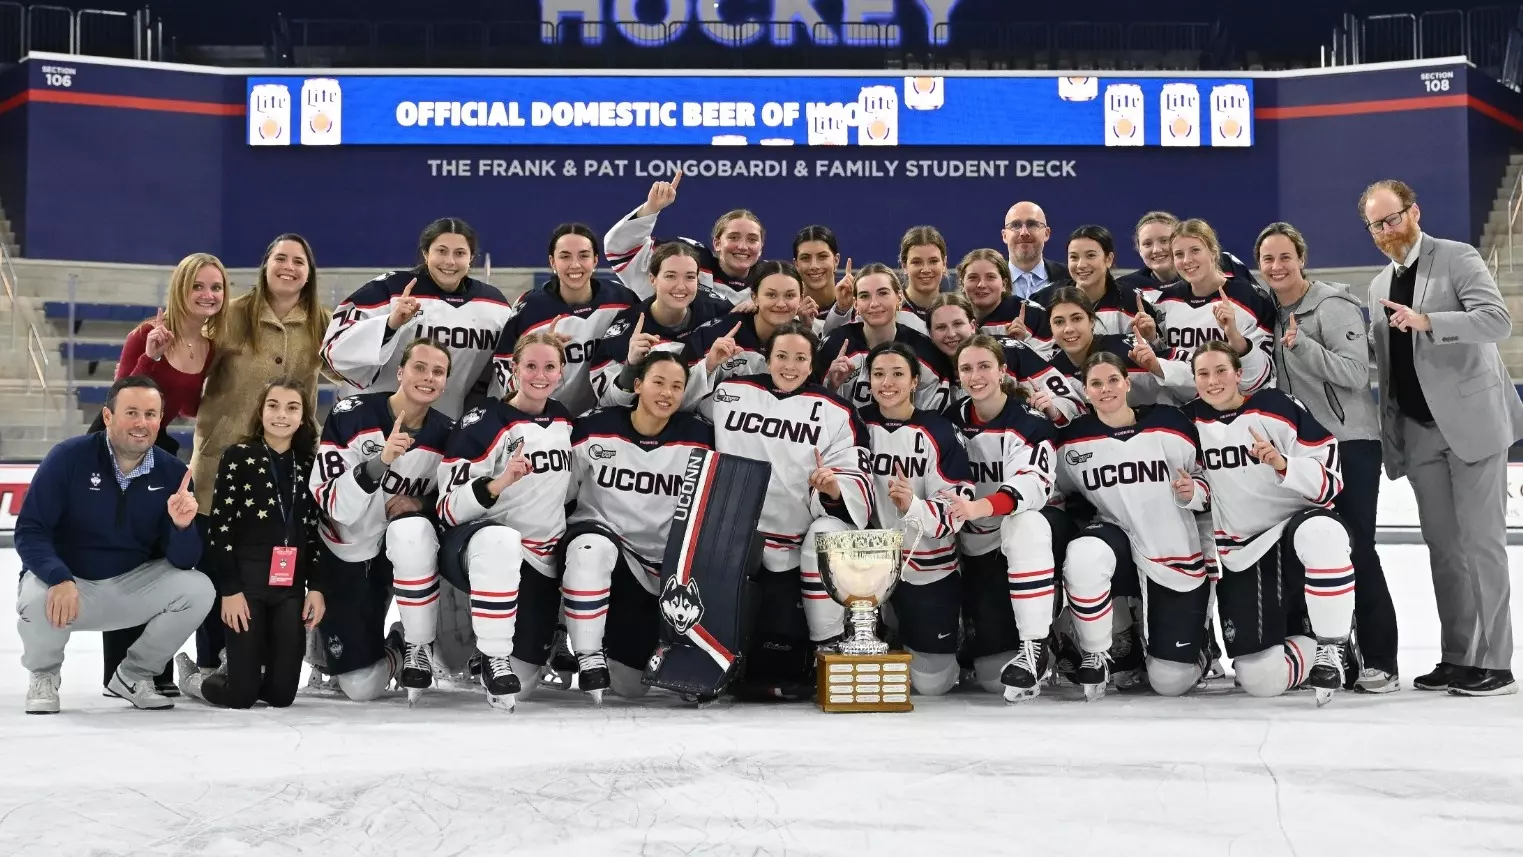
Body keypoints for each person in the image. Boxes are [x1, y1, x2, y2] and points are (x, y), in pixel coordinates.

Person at [1362, 178, 1523, 696]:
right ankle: (1458, 656)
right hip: (1419, 429)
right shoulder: (1377, 285)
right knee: (1443, 550)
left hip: (1473, 425)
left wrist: (1429, 320)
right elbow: (1388, 364)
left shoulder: (1457, 257)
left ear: (1414, 211)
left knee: (1482, 545)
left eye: (1393, 218)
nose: (1387, 230)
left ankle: (1497, 662)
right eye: (1376, 224)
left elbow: (1496, 321)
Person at [697, 321, 875, 698]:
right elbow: (674, 401)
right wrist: (708, 365)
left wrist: (833, 488)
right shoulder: (731, 392)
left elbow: (855, 472)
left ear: (813, 365)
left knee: (826, 536)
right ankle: (701, 658)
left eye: (800, 358)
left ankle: (826, 646)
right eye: (781, 356)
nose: (789, 366)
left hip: (797, 543)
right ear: (766, 357)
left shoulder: (836, 411)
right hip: (737, 537)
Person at [15, 376, 214, 714]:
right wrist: (58, 577)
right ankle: (44, 675)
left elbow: (184, 561)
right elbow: (30, 530)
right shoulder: (68, 457)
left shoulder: (172, 473)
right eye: (132, 412)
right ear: (108, 417)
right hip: (71, 584)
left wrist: (182, 527)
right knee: (35, 596)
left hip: (129, 586)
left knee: (198, 589)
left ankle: (134, 675)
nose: (142, 423)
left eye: (151, 414)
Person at [1257, 221, 1398, 693]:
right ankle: (1335, 655)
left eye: (1284, 257)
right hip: (1303, 450)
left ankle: (1382, 661)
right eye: (1268, 260)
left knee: (1358, 547)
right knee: (1314, 551)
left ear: (1302, 258)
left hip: (1349, 444)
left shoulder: (1333, 305)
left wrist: (1306, 347)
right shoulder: (1274, 314)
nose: (1276, 267)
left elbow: (1358, 375)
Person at [1185, 342, 1355, 705]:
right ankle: (1308, 643)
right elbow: (1204, 488)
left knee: (1325, 532)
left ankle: (1332, 645)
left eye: (1221, 371)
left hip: (1294, 530)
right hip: (1244, 549)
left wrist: (1283, 464)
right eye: (1203, 373)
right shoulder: (1189, 422)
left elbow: (1331, 479)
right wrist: (1190, 492)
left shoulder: (1277, 407)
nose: (1213, 381)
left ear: (1238, 373)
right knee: (1260, 680)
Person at [189, 234, 327, 674]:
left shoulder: (322, 324)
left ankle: (256, 661)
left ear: (310, 271)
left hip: (285, 469)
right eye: (280, 259)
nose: (289, 267)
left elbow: (358, 370)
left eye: (299, 261)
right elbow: (189, 371)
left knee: (273, 567)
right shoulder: (229, 317)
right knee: (218, 565)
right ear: (265, 265)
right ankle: (211, 664)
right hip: (220, 464)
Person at [97, 252, 227, 698]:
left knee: (161, 559)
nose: (208, 295)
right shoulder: (146, 335)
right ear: (180, 288)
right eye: (198, 286)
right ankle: (119, 671)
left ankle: (151, 668)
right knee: (129, 556)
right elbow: (122, 397)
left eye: (216, 287)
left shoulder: (210, 347)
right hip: (119, 447)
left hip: (162, 449)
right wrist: (150, 357)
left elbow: (188, 408)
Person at [1055, 353, 1212, 700]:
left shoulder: (1172, 423)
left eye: (1113, 380)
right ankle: (1096, 651)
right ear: (1085, 391)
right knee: (1083, 554)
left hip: (1172, 552)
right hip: (1117, 540)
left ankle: (1196, 644)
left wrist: (1195, 492)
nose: (1105, 389)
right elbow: (1056, 492)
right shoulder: (1072, 441)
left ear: (1127, 383)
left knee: (1169, 682)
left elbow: (1209, 482)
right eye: (1096, 383)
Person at [561, 352, 716, 702]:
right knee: (590, 548)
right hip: (610, 554)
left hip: (666, 566)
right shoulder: (593, 427)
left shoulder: (699, 436)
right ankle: (588, 655)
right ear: (637, 385)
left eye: (677, 386)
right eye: (658, 382)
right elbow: (561, 494)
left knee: (630, 687)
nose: (667, 393)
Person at [308, 338, 455, 703]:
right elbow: (334, 504)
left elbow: (454, 500)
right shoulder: (351, 414)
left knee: (414, 535)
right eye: (419, 367)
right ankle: (392, 648)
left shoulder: (450, 434)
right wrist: (379, 463)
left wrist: (421, 501)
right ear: (400, 371)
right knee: (360, 687)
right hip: (344, 553)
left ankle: (415, 640)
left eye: (438, 372)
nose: (428, 377)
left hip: (397, 558)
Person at [435, 332, 576, 710]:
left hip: (540, 560)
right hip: (483, 550)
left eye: (549, 367)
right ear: (513, 369)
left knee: (523, 685)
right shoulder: (483, 420)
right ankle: (478, 650)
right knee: (501, 542)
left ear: (561, 373)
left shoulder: (563, 420)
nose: (539, 375)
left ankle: (516, 645)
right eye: (530, 366)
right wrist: (498, 483)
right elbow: (448, 508)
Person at [174, 378, 326, 709]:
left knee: (282, 695)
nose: (281, 415)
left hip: (288, 589)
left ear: (303, 417)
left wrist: (315, 587)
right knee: (241, 695)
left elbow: (313, 532)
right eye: (273, 406)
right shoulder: (239, 456)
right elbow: (220, 529)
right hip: (246, 587)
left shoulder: (309, 464)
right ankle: (193, 679)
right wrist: (229, 591)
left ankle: (242, 665)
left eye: (292, 408)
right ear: (260, 411)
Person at [945, 335, 1070, 701]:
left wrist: (975, 508)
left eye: (985, 366)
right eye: (966, 368)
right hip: (980, 541)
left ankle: (1037, 645)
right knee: (990, 676)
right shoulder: (949, 422)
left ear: (1002, 371)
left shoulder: (1030, 422)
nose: (975, 375)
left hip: (1037, 530)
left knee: (1024, 522)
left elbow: (1027, 489)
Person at [858, 342, 974, 695]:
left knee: (931, 685)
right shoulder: (855, 423)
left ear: (914, 381)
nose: (887, 382)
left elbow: (958, 503)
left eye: (897, 374)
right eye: (879, 374)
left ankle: (936, 634)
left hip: (928, 567)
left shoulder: (939, 431)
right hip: (866, 566)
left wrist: (913, 506)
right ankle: (887, 627)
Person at [322, 217, 513, 420]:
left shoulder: (495, 306)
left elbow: (510, 365)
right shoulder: (389, 290)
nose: (450, 261)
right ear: (425, 253)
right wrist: (389, 325)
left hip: (451, 431)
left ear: (471, 257)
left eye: (459, 253)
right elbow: (335, 349)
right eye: (441, 251)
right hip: (375, 425)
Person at [492, 223, 640, 416]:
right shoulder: (530, 308)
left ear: (595, 260)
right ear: (552, 262)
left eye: (584, 255)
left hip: (607, 419)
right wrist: (541, 355)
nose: (575, 265)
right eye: (565, 256)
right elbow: (504, 366)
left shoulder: (622, 299)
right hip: (545, 419)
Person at [589, 241, 730, 411]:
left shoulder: (719, 309)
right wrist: (631, 366)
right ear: (653, 279)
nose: (681, 286)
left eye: (690, 277)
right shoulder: (626, 329)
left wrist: (754, 313)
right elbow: (608, 403)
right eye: (670, 276)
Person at [1153, 219, 1277, 393]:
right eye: (1179, 254)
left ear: (1213, 251)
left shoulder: (1251, 299)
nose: (1187, 260)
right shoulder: (1164, 302)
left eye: (1195, 250)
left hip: (1240, 411)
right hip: (1184, 412)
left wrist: (1233, 336)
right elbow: (1165, 364)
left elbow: (1257, 378)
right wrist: (1152, 339)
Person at [605, 171, 762, 304]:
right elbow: (620, 249)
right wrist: (651, 208)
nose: (742, 246)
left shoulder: (770, 278)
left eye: (752, 239)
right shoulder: (688, 260)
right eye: (733, 237)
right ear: (717, 243)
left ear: (761, 246)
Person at [816, 262, 953, 411]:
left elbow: (933, 420)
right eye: (864, 296)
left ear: (899, 297)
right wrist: (831, 387)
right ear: (855, 304)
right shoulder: (835, 345)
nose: (874, 303)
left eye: (883, 293)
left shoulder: (925, 352)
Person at [925, 293, 1083, 421]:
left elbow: (1072, 403)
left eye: (958, 324)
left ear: (973, 326)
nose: (951, 334)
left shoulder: (1010, 350)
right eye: (941, 327)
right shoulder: (929, 366)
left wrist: (1053, 411)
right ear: (930, 334)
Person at [1043, 288, 1195, 406]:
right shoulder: (1052, 371)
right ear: (1050, 327)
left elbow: (1197, 374)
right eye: (1058, 322)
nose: (1068, 328)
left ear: (1091, 321)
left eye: (1076, 318)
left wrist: (1157, 367)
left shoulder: (1129, 349)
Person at [1025, 225, 1162, 355]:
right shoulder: (1044, 300)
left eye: (1090, 255)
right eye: (1074, 257)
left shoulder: (1134, 305)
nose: (1081, 265)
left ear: (1108, 259)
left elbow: (1158, 357)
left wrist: (1151, 339)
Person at [684, 260, 809, 389]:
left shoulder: (806, 342)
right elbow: (679, 393)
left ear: (800, 299)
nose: (781, 304)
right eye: (771, 295)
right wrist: (708, 366)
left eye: (790, 295)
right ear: (755, 297)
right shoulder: (713, 335)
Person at [1116, 210, 1260, 302]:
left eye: (1164, 241)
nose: (1157, 249)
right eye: (1147, 244)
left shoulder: (1225, 263)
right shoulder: (1127, 287)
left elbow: (1260, 303)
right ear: (1139, 250)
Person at [1000, 201, 1069, 299]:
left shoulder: (1069, 278)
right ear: (1005, 236)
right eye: (1015, 225)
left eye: (1032, 224)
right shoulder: (990, 282)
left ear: (1046, 233)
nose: (1024, 233)